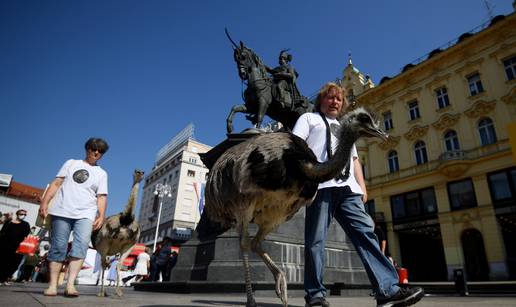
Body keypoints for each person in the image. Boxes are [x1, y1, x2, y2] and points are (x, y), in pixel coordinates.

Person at [292, 82, 424, 307]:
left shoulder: (347, 126)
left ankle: (388, 290)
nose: (335, 102)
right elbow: (295, 146)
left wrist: (362, 188)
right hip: (320, 188)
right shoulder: (309, 119)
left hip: (348, 190)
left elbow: (354, 160)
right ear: (321, 101)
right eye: (330, 98)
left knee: (366, 235)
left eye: (339, 99)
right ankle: (315, 295)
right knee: (316, 241)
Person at [39, 137, 109, 297]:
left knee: (81, 246)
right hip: (62, 210)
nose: (96, 152)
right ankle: (53, 285)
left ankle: (70, 285)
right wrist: (45, 202)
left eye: (100, 151)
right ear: (87, 149)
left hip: (86, 213)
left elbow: (102, 197)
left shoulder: (101, 173)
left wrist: (102, 215)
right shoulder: (71, 163)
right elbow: (56, 183)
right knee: (58, 247)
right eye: (93, 149)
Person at [0, 209, 31, 285]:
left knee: (14, 264)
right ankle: (1, 279)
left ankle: (5, 278)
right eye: (21, 214)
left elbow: (26, 236)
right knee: (3, 262)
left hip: (18, 248)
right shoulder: (9, 222)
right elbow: (2, 233)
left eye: (24, 214)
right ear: (17, 214)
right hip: (5, 246)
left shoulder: (26, 224)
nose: (23, 216)